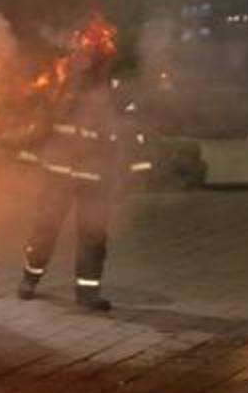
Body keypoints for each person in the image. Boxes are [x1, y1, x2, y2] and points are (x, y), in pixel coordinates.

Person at [15, 32, 151, 311]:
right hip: (59, 173)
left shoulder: (115, 92)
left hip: (96, 178)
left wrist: (136, 170)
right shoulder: (62, 86)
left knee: (93, 235)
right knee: (45, 229)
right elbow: (40, 125)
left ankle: (88, 292)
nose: (83, 60)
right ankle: (30, 279)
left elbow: (132, 131)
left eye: (91, 55)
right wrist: (28, 156)